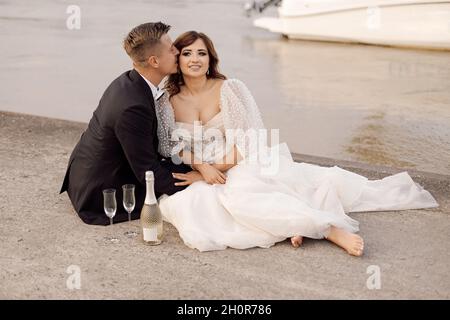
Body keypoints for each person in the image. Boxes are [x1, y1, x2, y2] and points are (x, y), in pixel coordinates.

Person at [155, 31, 439, 256]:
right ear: (177, 60)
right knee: (195, 210)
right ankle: (293, 225)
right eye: (188, 53)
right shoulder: (169, 99)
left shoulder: (229, 89)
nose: (195, 59)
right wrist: (201, 167)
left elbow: (248, 140)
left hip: (238, 160)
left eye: (201, 53)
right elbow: (170, 145)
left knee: (243, 193)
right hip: (205, 169)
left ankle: (328, 229)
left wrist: (215, 170)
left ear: (210, 58)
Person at [59, 22, 203, 225]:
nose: (177, 51)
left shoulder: (129, 80)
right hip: (102, 192)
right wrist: (196, 180)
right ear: (154, 61)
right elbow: (148, 172)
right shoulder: (133, 107)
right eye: (171, 49)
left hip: (85, 172)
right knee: (204, 190)